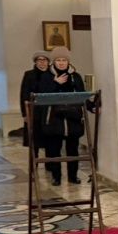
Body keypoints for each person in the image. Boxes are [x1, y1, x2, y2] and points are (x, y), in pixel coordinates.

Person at [40, 47, 87, 186]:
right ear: (54, 62)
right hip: (54, 119)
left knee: (73, 149)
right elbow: (42, 94)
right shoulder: (46, 76)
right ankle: (56, 177)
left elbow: (82, 95)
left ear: (68, 61)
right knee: (54, 149)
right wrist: (56, 83)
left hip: (73, 119)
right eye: (58, 60)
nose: (61, 63)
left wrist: (92, 106)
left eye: (64, 60)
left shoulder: (75, 76)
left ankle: (73, 176)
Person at [19, 51, 55, 150]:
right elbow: (24, 94)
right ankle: (34, 159)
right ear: (35, 62)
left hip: (49, 111)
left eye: (44, 60)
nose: (42, 62)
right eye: (39, 60)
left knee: (49, 140)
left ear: (48, 62)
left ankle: (50, 159)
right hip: (34, 110)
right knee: (34, 139)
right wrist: (25, 113)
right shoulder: (29, 74)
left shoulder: (53, 74)